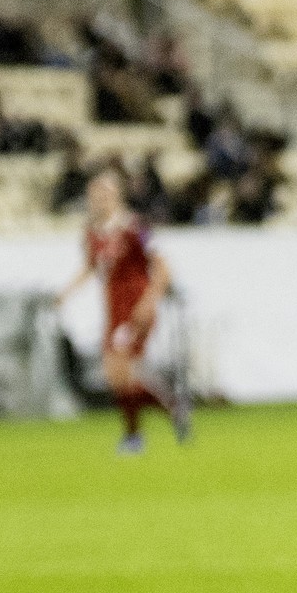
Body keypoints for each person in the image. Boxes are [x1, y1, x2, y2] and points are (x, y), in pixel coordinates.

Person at [57, 169, 187, 454]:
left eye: (106, 194)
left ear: (117, 196)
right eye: (95, 194)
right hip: (114, 312)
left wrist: (149, 301)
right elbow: (91, 267)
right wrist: (65, 293)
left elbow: (163, 267)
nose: (100, 200)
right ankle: (171, 407)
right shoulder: (92, 233)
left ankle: (134, 437)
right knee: (117, 377)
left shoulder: (134, 227)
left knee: (120, 370)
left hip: (136, 308)